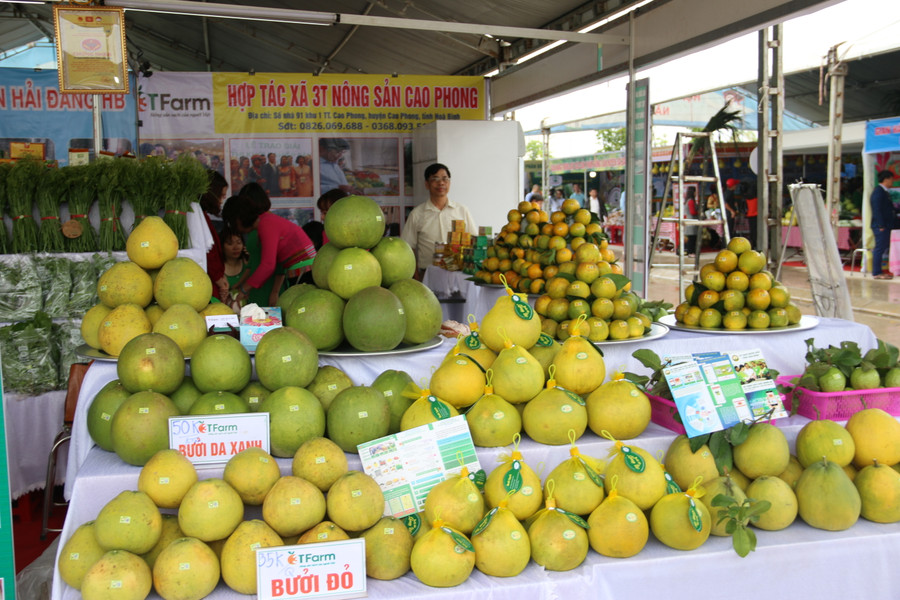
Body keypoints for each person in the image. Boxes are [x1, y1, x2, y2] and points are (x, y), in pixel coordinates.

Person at [225, 195, 317, 306]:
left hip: (304, 270)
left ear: (238, 219)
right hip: (302, 269)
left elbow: (268, 265)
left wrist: (244, 289)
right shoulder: (266, 221)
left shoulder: (266, 225)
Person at [401, 163, 477, 279]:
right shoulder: (417, 214)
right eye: (435, 179)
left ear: (449, 183)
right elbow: (407, 247)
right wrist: (416, 276)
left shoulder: (462, 211)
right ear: (427, 184)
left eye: (444, 179)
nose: (441, 183)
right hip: (427, 274)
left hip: (458, 275)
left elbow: (474, 241)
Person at [199, 170, 228, 301]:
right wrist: (218, 277)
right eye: (221, 195)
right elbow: (207, 250)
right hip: (207, 282)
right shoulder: (198, 215)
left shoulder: (201, 214)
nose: (222, 200)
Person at [871, 169, 896, 279]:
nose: (892, 182)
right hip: (880, 226)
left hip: (886, 224)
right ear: (886, 179)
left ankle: (879, 271)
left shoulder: (884, 191)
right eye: (891, 179)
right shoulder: (878, 191)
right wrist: (881, 225)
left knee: (882, 247)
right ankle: (876, 272)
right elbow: (876, 209)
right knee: (879, 248)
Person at [220, 225, 249, 312]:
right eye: (230, 243)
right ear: (222, 246)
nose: (235, 247)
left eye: (239, 242)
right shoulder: (218, 269)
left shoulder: (248, 265)